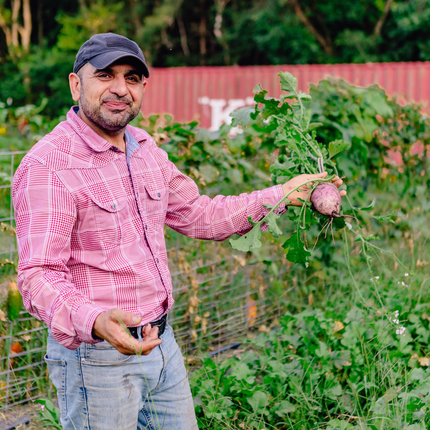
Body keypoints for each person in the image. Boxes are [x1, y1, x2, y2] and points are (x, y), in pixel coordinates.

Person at [12, 33, 346, 430]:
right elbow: (38, 275)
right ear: (75, 83)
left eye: (132, 78)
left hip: (161, 342)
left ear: (143, 87)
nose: (120, 88)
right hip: (95, 357)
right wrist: (96, 319)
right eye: (105, 75)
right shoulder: (49, 165)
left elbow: (201, 215)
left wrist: (282, 194)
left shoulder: (145, 149)